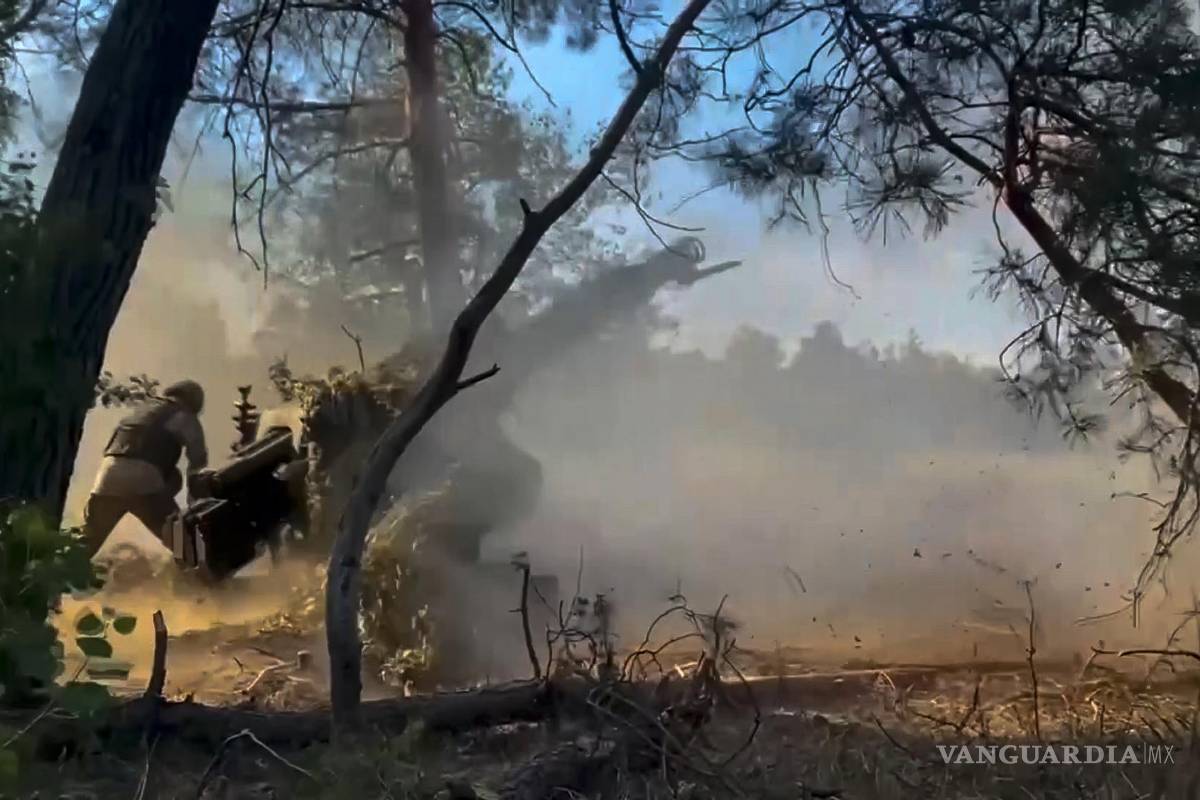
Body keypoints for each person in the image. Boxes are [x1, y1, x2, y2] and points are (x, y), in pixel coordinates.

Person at [82, 379, 208, 557]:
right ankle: (199, 580)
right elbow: (198, 463)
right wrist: (195, 503)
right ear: (193, 403)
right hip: (145, 482)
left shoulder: (139, 411)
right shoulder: (184, 415)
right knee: (188, 546)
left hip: (107, 478)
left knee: (81, 549)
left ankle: (46, 578)